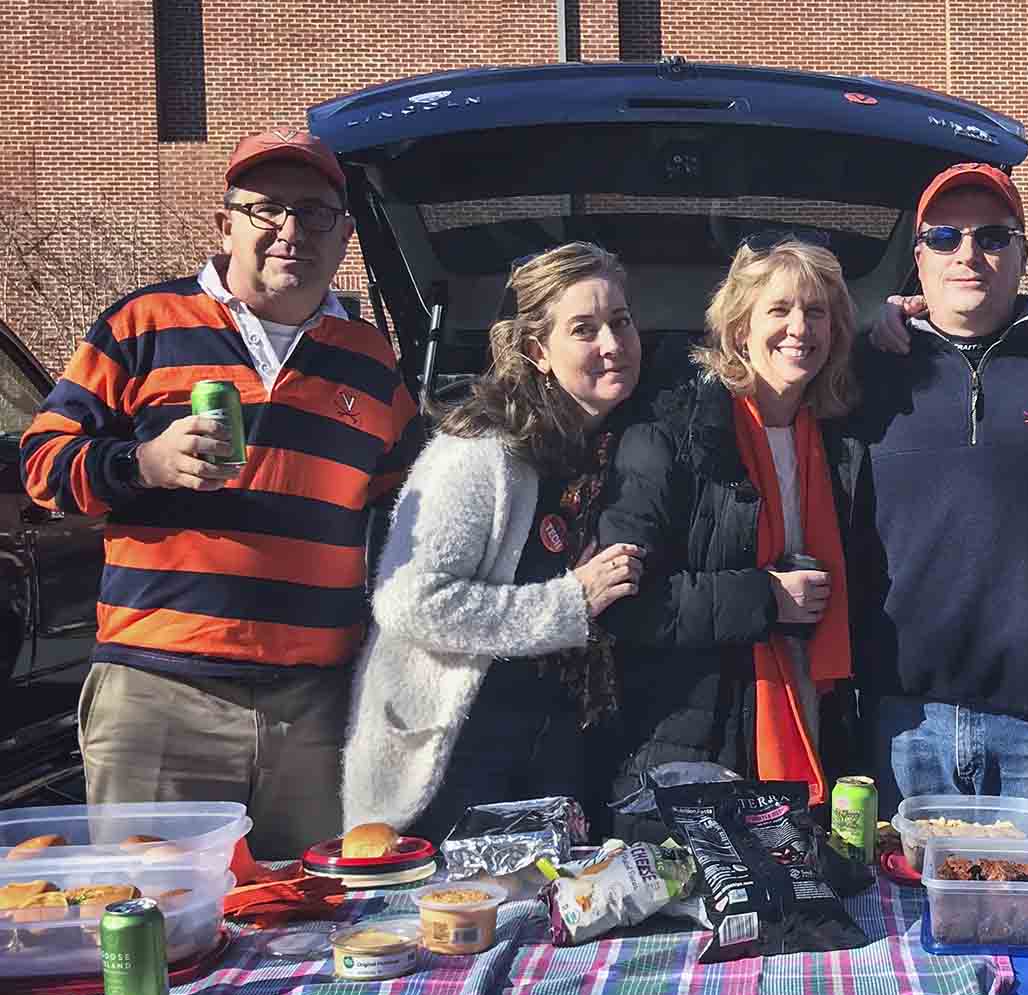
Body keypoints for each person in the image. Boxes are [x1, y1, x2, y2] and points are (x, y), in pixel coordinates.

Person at [20, 128, 421, 858]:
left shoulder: (369, 360)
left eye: (314, 212)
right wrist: (143, 462)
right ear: (225, 224)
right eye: (266, 209)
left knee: (319, 926)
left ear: (343, 236)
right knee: (157, 927)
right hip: (161, 698)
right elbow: (42, 465)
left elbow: (398, 507)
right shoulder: (141, 326)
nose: (290, 230)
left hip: (314, 709)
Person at [849, 163, 1028, 850]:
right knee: (916, 937)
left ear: (1023, 254)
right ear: (919, 261)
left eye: (993, 236)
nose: (968, 254)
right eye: (944, 237)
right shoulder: (864, 377)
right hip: (905, 723)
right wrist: (872, 318)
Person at [342, 243, 647, 839]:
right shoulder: (479, 453)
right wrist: (570, 602)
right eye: (584, 329)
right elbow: (410, 600)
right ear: (538, 350)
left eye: (622, 321)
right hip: (454, 760)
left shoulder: (616, 445)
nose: (612, 344)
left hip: (553, 756)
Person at [595, 236, 868, 820]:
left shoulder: (838, 443)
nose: (800, 327)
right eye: (780, 310)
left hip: (816, 726)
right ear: (740, 329)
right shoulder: (669, 434)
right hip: (694, 738)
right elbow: (628, 603)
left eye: (816, 311)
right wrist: (765, 597)